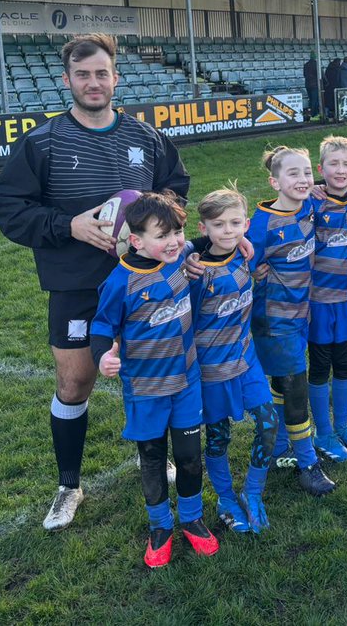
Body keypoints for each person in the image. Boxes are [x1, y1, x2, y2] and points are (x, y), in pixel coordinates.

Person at [0, 32, 189, 531]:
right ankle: (68, 484)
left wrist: (148, 230)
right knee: (76, 380)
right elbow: (10, 209)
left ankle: (155, 459)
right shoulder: (43, 142)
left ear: (116, 77)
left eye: (102, 73)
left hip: (143, 281)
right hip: (77, 284)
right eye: (83, 74)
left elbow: (176, 190)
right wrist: (69, 226)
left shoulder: (146, 138)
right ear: (67, 80)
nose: (93, 82)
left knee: (151, 376)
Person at [90, 190, 218, 567]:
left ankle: (193, 520)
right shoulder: (120, 283)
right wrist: (102, 358)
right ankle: (160, 527)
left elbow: (208, 237)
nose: (174, 241)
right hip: (145, 390)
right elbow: (101, 326)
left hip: (186, 382)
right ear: (136, 240)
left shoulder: (179, 258)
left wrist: (238, 238)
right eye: (162, 236)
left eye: (176, 232)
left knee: (189, 456)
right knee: (152, 457)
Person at [246, 146, 337, 494]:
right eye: (292, 174)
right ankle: (307, 462)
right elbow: (239, 264)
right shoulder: (261, 224)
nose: (302, 180)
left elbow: (340, 195)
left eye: (305, 172)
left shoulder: (310, 207)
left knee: (285, 383)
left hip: (301, 314)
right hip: (275, 320)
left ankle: (281, 447)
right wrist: (255, 273)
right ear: (274, 181)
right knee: (296, 386)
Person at [190, 187, 278, 535]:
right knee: (218, 437)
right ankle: (225, 498)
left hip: (246, 360)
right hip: (212, 371)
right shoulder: (195, 273)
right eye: (219, 224)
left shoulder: (246, 255)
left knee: (268, 424)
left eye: (235, 223)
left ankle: (252, 492)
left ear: (246, 224)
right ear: (203, 228)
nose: (228, 230)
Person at [307, 136, 347, 462]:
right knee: (319, 367)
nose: (340, 170)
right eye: (333, 164)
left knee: (345, 363)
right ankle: (323, 432)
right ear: (321, 169)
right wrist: (314, 186)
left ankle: (342, 426)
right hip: (318, 301)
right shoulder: (310, 202)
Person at [303, 53, 320, 119]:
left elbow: (304, 75)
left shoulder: (306, 65)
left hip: (307, 85)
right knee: (315, 100)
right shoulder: (316, 65)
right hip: (315, 85)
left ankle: (310, 113)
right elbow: (319, 74)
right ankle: (314, 114)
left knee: (310, 99)